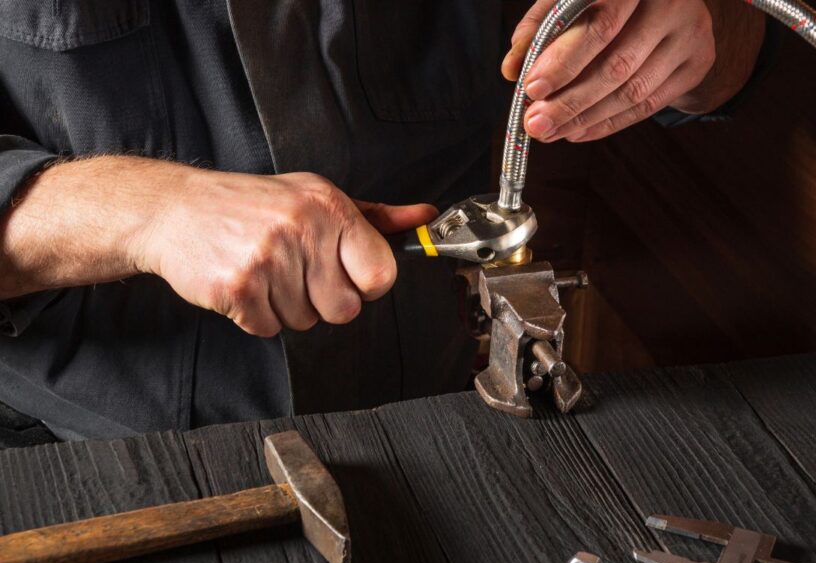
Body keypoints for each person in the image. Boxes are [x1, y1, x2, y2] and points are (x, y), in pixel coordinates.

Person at [0, 0, 767, 443]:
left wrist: (699, 28)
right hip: (87, 449)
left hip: (440, 424)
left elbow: (729, 46)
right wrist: (147, 213)